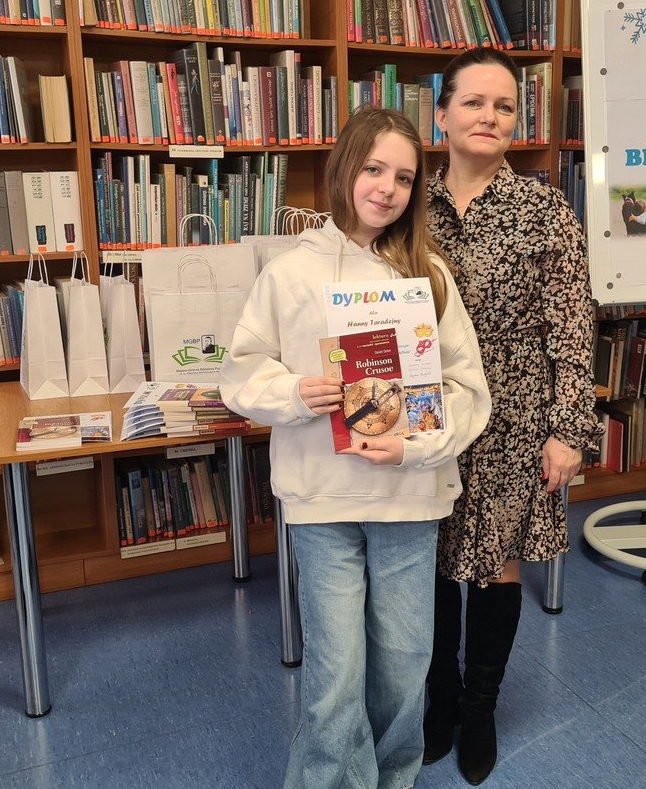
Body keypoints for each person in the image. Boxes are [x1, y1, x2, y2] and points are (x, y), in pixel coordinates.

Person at [220, 107, 492, 789]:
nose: (387, 188)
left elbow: (468, 390)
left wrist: (416, 444)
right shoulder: (289, 273)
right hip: (323, 498)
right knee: (336, 669)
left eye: (403, 177)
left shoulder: (428, 274)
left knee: (403, 661)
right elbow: (240, 374)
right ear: (344, 168)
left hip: (409, 496)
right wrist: (295, 392)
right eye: (374, 168)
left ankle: (393, 777)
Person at [423, 48, 602, 785]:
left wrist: (568, 429)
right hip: (428, 410)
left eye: (504, 106)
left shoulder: (544, 208)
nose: (489, 116)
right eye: (474, 102)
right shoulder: (409, 205)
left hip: (515, 413)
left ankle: (479, 705)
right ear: (442, 114)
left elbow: (572, 326)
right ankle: (438, 696)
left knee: (497, 563)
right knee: (432, 556)